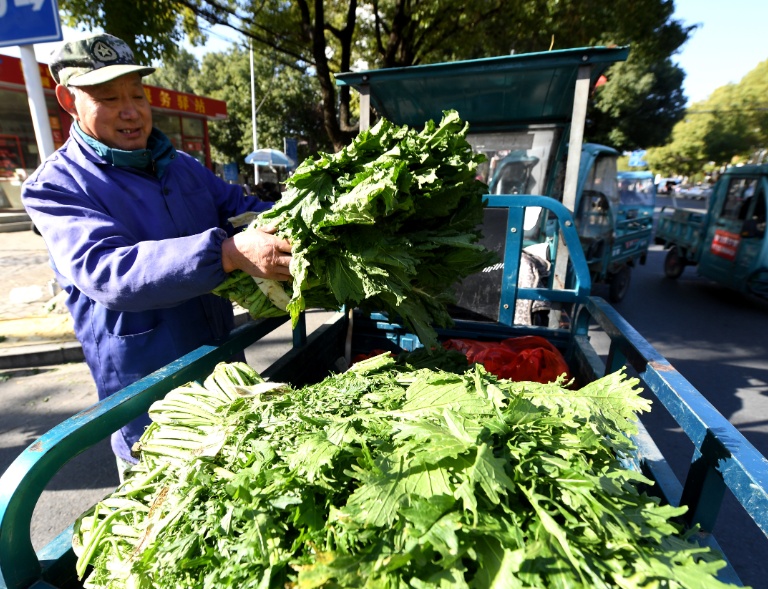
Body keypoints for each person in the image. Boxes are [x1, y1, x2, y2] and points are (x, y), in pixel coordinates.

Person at [21, 33, 292, 477]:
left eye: (137, 94)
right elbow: (107, 271)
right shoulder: (56, 186)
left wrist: (311, 215)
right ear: (68, 100)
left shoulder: (181, 166)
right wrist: (226, 252)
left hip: (224, 382)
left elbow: (242, 211)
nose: (130, 111)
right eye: (109, 97)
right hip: (153, 414)